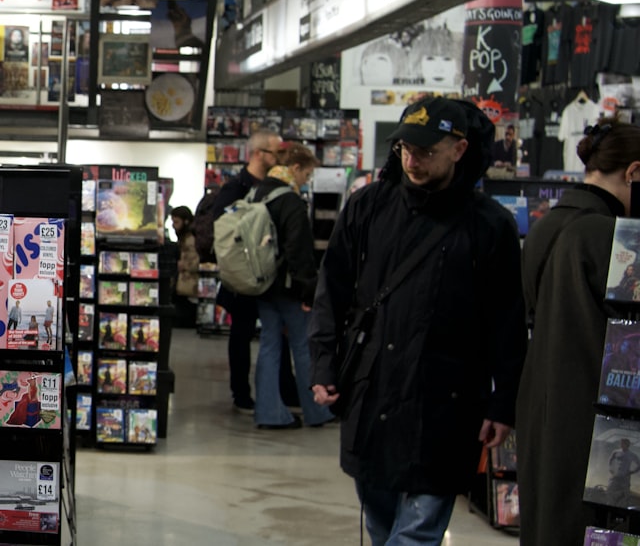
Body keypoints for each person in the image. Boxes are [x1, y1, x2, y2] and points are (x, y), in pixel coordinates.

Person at [308, 96, 526, 546]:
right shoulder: (368, 207)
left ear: (459, 149)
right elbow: (332, 290)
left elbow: (506, 319)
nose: (412, 159)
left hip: (447, 399)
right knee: (382, 519)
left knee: (418, 530)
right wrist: (324, 365)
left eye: (426, 150)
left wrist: (503, 402)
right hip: (373, 389)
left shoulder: (490, 225)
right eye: (406, 147)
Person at [517, 120, 640, 546]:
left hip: (543, 402)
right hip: (596, 412)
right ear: (633, 172)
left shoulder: (548, 224)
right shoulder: (610, 234)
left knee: (548, 520)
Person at [195, 130, 294, 412]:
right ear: (258, 154)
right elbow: (225, 233)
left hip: (269, 275)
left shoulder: (273, 187)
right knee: (242, 334)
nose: (280, 159)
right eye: (276, 153)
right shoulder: (235, 188)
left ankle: (285, 391)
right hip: (242, 276)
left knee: (278, 333)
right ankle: (241, 394)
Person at [249, 143, 334, 430]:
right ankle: (317, 410)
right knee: (303, 345)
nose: (306, 181)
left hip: (262, 284)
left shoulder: (258, 192)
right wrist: (309, 290)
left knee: (269, 346)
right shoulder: (290, 200)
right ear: (295, 168)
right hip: (289, 288)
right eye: (307, 174)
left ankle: (268, 412)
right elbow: (299, 251)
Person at [169, 206, 199, 299]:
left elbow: (196, 261)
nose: (173, 226)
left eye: (176, 222)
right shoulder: (186, 238)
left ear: (186, 221)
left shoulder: (189, 240)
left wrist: (185, 265)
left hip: (188, 287)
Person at [610, 439, 640, 505]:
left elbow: (639, 464)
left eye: (623, 443)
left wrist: (632, 472)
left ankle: (625, 505)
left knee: (626, 493)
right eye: (621, 443)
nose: (621, 445)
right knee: (611, 490)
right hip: (616, 475)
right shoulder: (616, 452)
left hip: (625, 477)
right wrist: (611, 469)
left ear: (627, 445)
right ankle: (611, 503)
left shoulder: (631, 454)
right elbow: (611, 460)